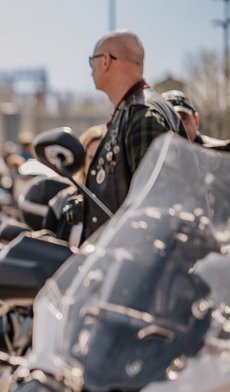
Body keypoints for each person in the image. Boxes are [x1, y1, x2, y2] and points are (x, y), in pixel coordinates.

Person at [82, 31, 185, 239]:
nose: (91, 69)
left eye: (92, 60)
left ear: (106, 61)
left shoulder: (142, 115)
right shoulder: (133, 110)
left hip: (137, 252)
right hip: (125, 251)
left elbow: (156, 204)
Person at [162, 90, 230, 154]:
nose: (177, 126)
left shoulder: (222, 152)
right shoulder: (156, 158)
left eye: (183, 118)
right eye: (168, 120)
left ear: (196, 120)